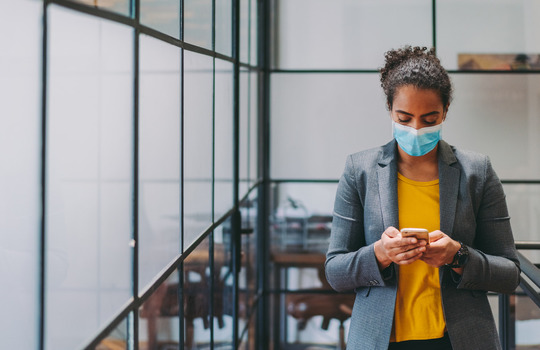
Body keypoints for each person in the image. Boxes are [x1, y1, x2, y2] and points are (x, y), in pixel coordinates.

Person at [324, 46, 520, 350]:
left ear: (445, 111)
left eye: (430, 119)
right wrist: (380, 253)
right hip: (380, 339)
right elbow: (336, 272)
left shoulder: (477, 172)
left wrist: (458, 256)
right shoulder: (359, 171)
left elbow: (508, 274)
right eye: (404, 118)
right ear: (389, 108)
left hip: (459, 339)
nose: (416, 129)